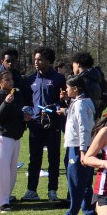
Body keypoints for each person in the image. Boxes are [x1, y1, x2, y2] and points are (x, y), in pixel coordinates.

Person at [22, 47, 65, 202]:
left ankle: (52, 191)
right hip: (35, 124)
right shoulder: (30, 79)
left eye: (39, 59)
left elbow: (64, 101)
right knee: (35, 157)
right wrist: (27, 112)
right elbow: (26, 101)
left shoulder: (59, 78)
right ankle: (31, 191)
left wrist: (57, 105)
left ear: (48, 61)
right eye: (35, 59)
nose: (36, 62)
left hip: (53, 123)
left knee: (53, 157)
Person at [55, 73, 97, 215]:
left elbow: (83, 128)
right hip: (81, 146)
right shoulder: (81, 101)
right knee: (85, 183)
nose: (66, 90)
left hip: (78, 147)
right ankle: (91, 214)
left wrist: (83, 150)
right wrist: (66, 103)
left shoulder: (80, 105)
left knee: (76, 183)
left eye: (67, 88)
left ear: (75, 88)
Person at [0, 70, 31, 213]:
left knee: (11, 172)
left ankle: (6, 199)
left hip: (14, 137)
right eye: (7, 79)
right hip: (2, 137)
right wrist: (6, 103)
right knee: (1, 171)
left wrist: (24, 117)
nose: (10, 82)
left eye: (11, 79)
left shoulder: (14, 95)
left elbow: (15, 115)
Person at [70, 52, 107, 120]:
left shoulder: (81, 81)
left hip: (83, 118)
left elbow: (79, 103)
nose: (73, 69)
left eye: (73, 65)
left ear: (78, 64)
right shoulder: (97, 78)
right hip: (95, 117)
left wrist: (67, 101)